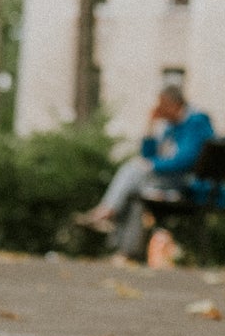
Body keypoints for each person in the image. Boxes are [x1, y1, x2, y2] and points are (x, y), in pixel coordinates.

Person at [79, 86, 217, 261]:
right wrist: (150, 125)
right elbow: (149, 155)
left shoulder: (196, 122)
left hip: (190, 186)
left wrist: (151, 165)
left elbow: (186, 160)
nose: (158, 109)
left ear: (173, 104)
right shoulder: (172, 127)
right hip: (168, 182)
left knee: (134, 169)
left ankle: (107, 210)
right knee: (136, 192)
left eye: (161, 105)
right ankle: (126, 253)